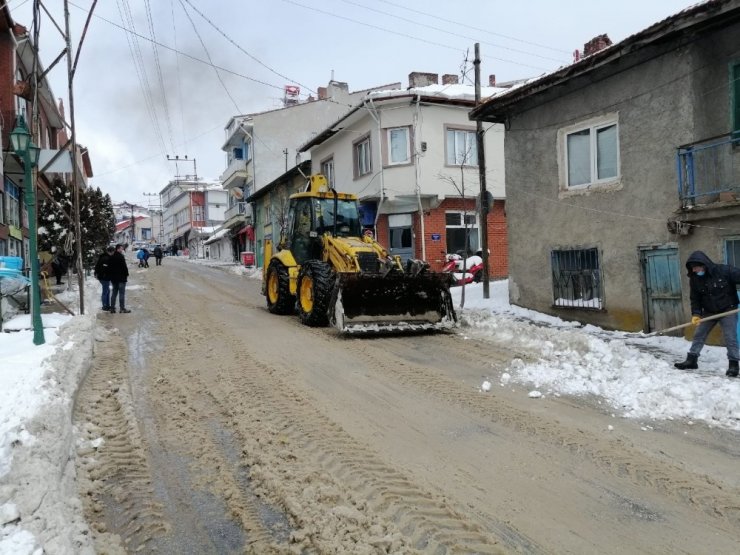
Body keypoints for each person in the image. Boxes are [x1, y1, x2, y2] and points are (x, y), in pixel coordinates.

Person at [674, 250, 740, 377]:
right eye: (692, 268)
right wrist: (696, 314)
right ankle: (692, 360)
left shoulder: (725, 271)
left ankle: (733, 365)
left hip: (728, 310)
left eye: (695, 268)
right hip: (709, 311)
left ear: (704, 265)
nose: (694, 271)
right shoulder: (695, 279)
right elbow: (695, 298)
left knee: (730, 337)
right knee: (699, 334)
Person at [108, 243, 131, 313]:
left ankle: (112, 308)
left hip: (114, 279)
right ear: (118, 249)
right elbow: (124, 267)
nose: (122, 249)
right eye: (121, 248)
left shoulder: (111, 257)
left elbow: (109, 268)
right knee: (121, 293)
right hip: (121, 278)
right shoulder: (121, 257)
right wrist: (126, 274)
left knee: (114, 293)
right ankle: (122, 308)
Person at [94, 246, 114, 311]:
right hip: (104, 277)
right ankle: (104, 306)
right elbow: (104, 269)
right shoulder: (105, 258)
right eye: (113, 252)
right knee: (105, 291)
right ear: (110, 252)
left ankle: (107, 305)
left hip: (104, 277)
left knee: (107, 291)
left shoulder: (105, 257)